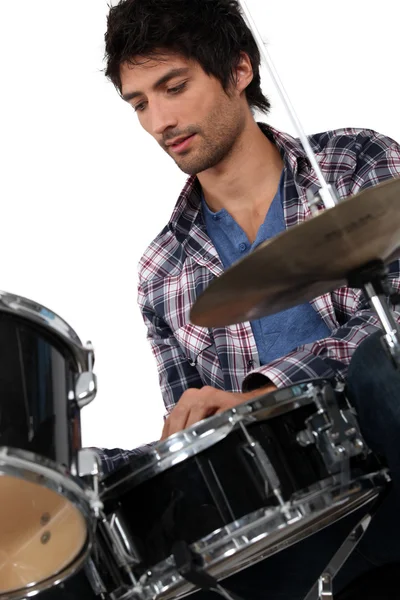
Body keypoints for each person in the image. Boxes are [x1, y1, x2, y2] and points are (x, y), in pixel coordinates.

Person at [95, 0, 400, 598]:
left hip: (385, 453)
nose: (159, 120)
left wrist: (261, 390)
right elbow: (205, 441)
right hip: (294, 530)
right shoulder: (160, 272)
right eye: (139, 104)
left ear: (239, 70)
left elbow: (393, 331)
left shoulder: (354, 165)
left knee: (379, 364)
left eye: (173, 86)